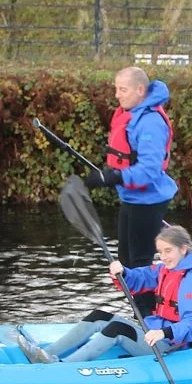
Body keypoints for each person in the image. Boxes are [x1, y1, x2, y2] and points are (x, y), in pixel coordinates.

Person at [14, 224, 192, 363]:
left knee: (118, 328)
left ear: (183, 249)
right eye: (160, 252)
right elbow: (141, 277)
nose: (163, 257)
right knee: (99, 316)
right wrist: (123, 272)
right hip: (157, 332)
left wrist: (164, 332)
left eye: (168, 251)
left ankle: (61, 366)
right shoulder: (167, 269)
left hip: (172, 344)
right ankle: (45, 354)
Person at [81, 66, 178, 277]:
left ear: (140, 90)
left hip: (148, 200)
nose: (117, 95)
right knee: (125, 261)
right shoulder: (132, 115)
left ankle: (146, 310)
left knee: (139, 263)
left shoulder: (150, 122)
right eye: (116, 89)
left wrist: (115, 176)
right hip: (132, 198)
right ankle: (138, 308)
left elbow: (150, 171)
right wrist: (110, 175)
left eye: (123, 90)